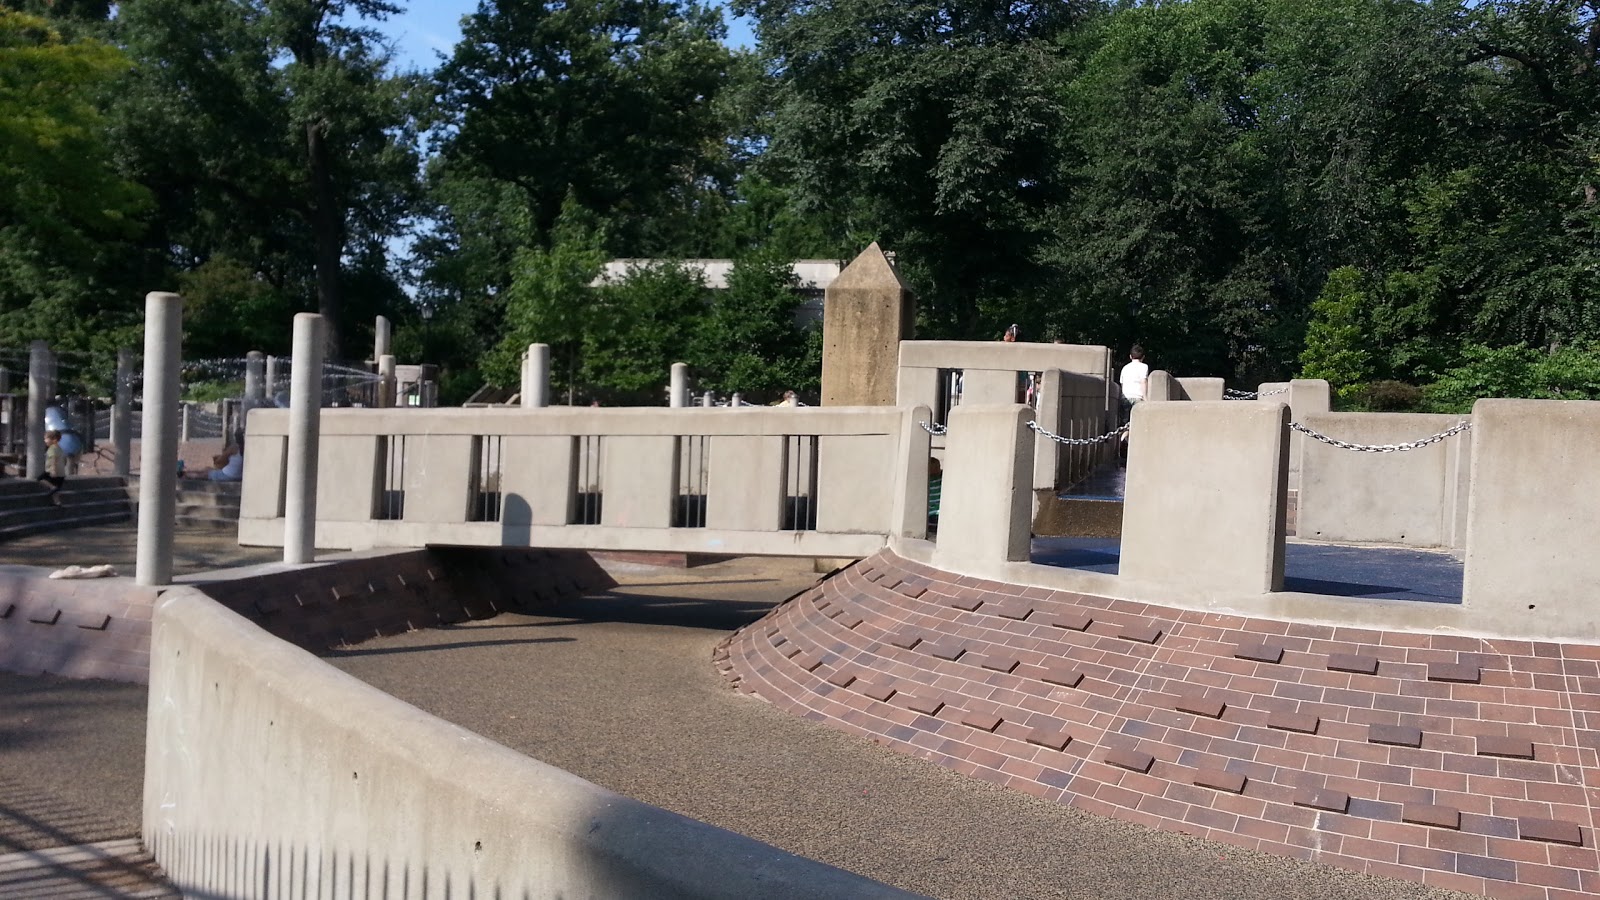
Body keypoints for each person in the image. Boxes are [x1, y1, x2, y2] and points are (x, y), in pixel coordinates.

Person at [1119, 344, 1149, 424]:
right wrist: (1145, 398)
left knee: (1125, 423)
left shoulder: (1125, 368)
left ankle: (1123, 436)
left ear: (1130, 356)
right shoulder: (1144, 367)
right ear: (1143, 357)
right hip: (1138, 398)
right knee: (1138, 423)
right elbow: (1143, 381)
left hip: (1126, 397)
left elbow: (1122, 384)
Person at [37, 430, 66, 503]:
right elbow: (64, 459)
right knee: (56, 490)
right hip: (61, 473)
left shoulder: (52, 448)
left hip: (51, 471)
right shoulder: (59, 448)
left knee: (40, 478)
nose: (45, 441)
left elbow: (53, 459)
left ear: (54, 440)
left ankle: (52, 487)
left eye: (46, 439)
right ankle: (57, 502)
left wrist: (53, 470)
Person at [927, 457, 942, 532]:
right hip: (932, 513)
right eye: (934, 467)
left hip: (939, 511)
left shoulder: (942, 478)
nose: (937, 469)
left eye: (938, 467)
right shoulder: (926, 481)